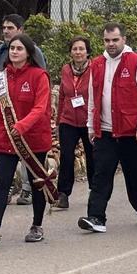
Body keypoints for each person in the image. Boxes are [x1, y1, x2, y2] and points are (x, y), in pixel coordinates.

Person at [77, 22, 137, 233]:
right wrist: (91, 127)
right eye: (107, 40)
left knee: (135, 177)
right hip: (106, 132)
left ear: (124, 40)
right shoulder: (97, 64)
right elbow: (93, 97)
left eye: (115, 40)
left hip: (131, 132)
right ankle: (96, 217)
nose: (110, 44)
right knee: (101, 175)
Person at [0, 34, 52, 247]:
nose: (14, 52)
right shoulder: (1, 77)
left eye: (19, 48)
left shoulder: (39, 76)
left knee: (37, 183)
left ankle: (37, 225)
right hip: (7, 140)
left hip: (33, 139)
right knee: (2, 184)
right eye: (12, 48)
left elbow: (40, 108)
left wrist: (21, 126)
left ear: (28, 52)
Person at [0, 14, 47, 205]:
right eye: (4, 27)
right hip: (5, 113)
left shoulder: (35, 52)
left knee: (27, 153)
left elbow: (40, 80)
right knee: (5, 154)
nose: (6, 31)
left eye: (10, 28)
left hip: (26, 116)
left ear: (20, 30)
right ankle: (7, 188)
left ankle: (28, 189)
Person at [54, 36, 93, 210]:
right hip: (68, 120)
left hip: (88, 120)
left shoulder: (95, 69)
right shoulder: (65, 70)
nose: (78, 52)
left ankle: (95, 191)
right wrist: (58, 121)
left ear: (87, 52)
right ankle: (63, 194)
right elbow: (62, 95)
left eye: (81, 49)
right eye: (75, 49)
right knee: (66, 157)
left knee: (93, 156)